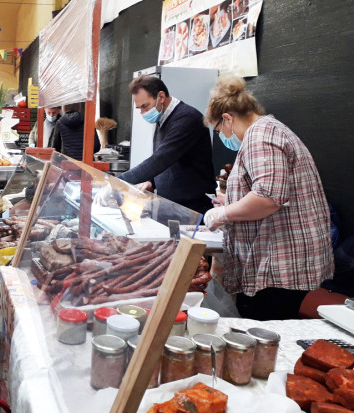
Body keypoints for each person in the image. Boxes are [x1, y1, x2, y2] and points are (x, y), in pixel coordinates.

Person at [203, 74, 334, 320]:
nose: (221, 135)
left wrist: (223, 213)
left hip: (282, 262)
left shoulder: (260, 135)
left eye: (219, 129)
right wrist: (231, 202)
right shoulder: (270, 130)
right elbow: (270, 188)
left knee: (267, 328)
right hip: (283, 257)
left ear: (227, 118)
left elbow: (267, 198)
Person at [117, 76, 216, 214]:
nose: (143, 113)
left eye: (145, 106)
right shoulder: (162, 117)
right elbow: (168, 158)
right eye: (139, 108)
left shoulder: (186, 118)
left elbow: (161, 159)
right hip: (170, 204)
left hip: (193, 206)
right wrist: (151, 181)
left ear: (161, 97)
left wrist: (117, 183)